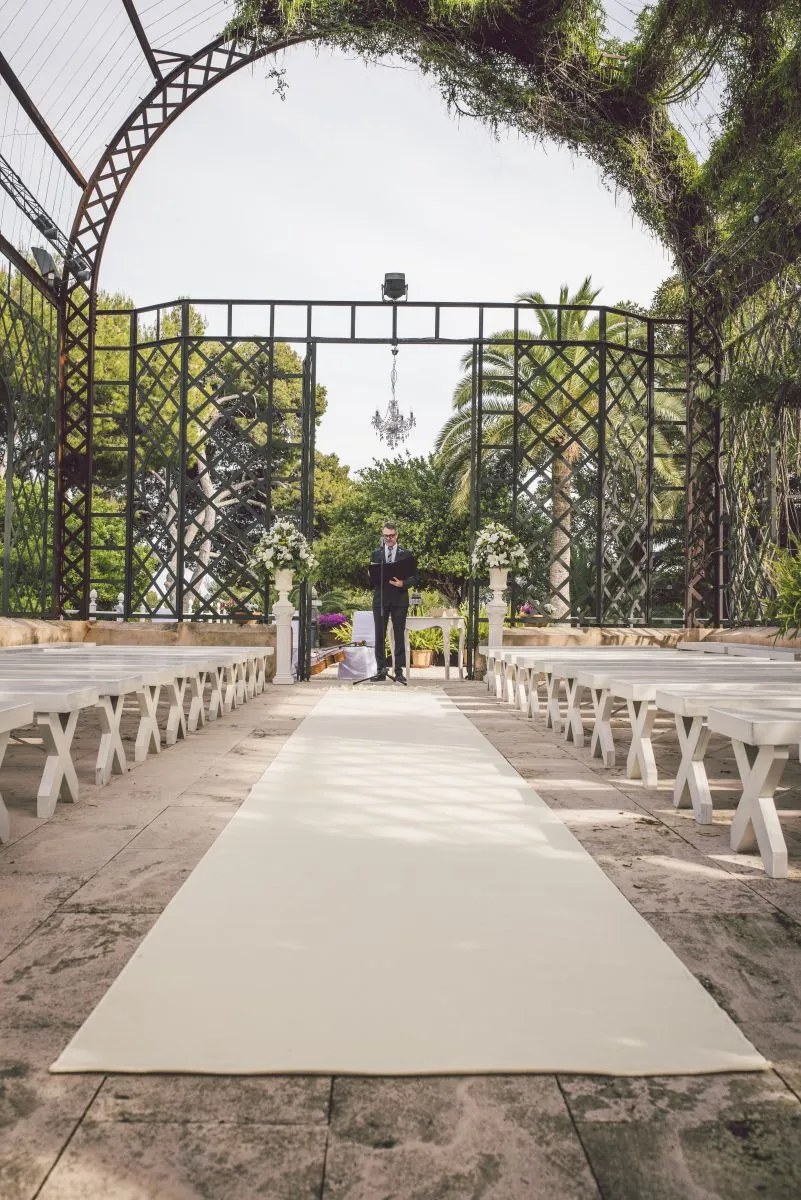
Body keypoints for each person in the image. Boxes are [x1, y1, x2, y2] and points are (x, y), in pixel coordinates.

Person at [370, 521, 413, 684]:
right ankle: (381, 670)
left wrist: (403, 583)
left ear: (397, 535)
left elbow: (414, 577)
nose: (388, 538)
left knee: (399, 636)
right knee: (379, 636)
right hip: (380, 600)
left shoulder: (406, 554)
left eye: (391, 535)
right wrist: (371, 575)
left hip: (399, 600)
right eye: (386, 536)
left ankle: (399, 672)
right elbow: (372, 579)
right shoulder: (376, 554)